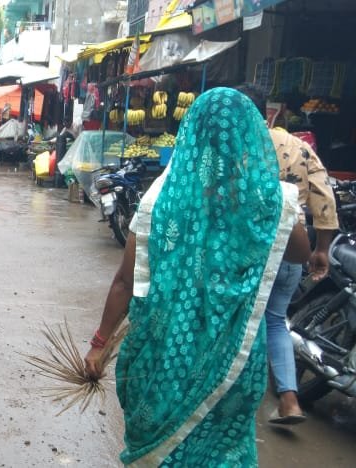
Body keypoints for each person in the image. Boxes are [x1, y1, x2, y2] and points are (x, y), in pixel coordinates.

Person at [83, 88, 311, 466]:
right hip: (233, 360)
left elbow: (125, 281)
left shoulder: (160, 197)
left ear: (190, 131)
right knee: (224, 452)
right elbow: (300, 253)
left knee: (162, 452)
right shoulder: (267, 199)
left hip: (164, 356)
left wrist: (100, 342)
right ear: (250, 133)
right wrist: (272, 196)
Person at [234, 85, 339, 425]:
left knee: (236, 319)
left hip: (246, 251)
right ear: (266, 113)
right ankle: (289, 400)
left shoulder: (235, 147)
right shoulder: (298, 147)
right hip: (292, 249)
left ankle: (232, 398)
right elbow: (324, 196)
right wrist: (321, 248)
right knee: (276, 320)